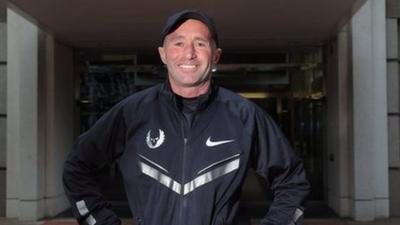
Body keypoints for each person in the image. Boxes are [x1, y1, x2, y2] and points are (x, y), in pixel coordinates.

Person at [63, 9, 310, 225]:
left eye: (200, 43)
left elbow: (292, 182)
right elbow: (77, 168)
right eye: (178, 43)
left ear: (216, 55)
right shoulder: (132, 113)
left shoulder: (243, 115)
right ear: (163, 54)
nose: (189, 53)